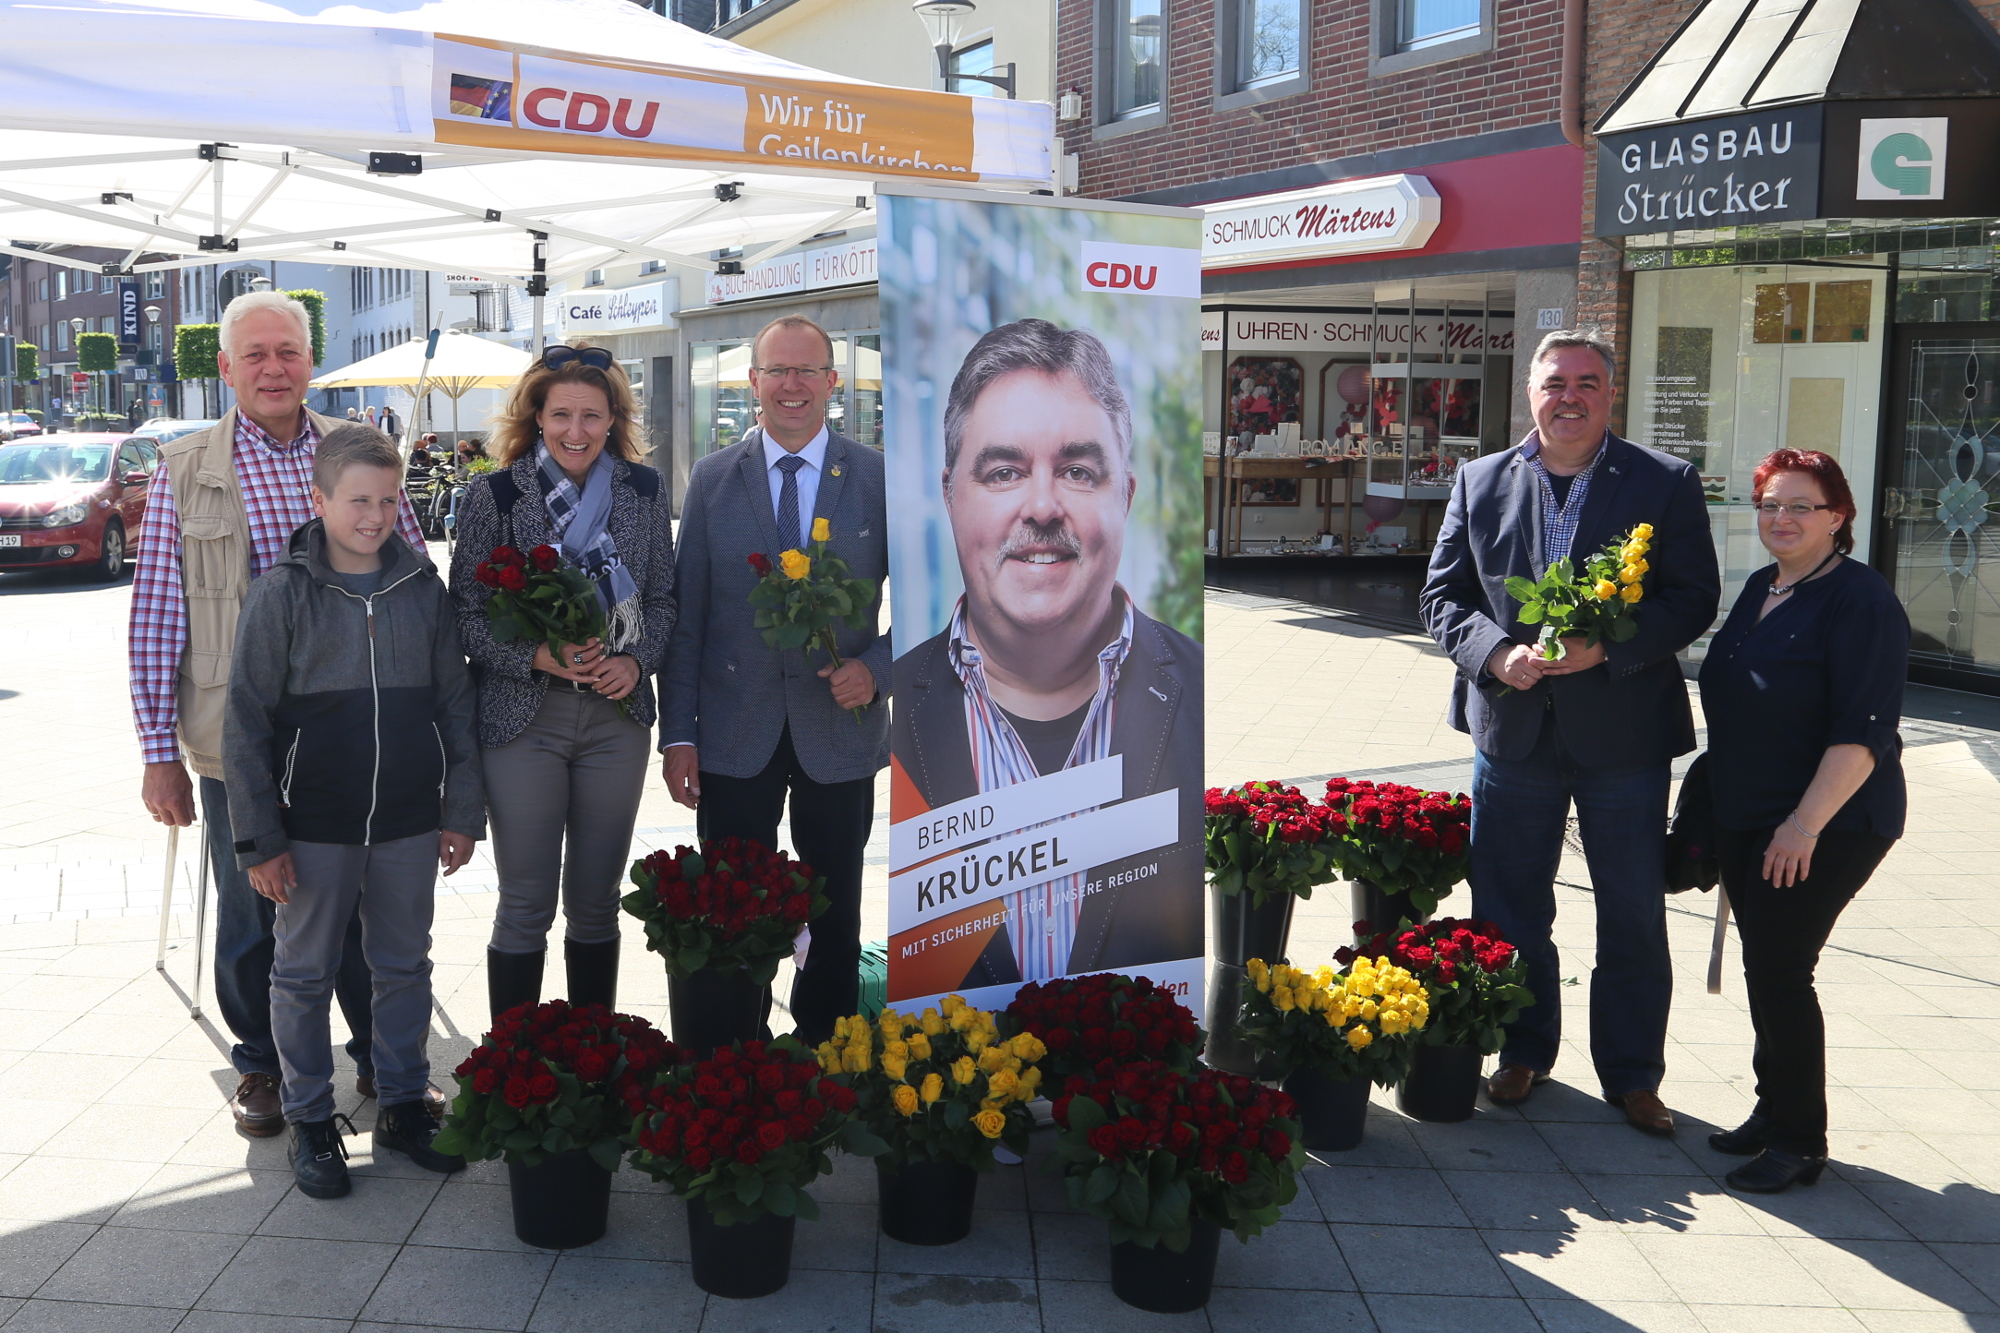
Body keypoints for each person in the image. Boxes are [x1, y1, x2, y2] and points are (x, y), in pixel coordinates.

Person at [130, 290, 438, 1137]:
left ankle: (381, 1058)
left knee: (361, 912)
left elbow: (411, 572)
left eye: (288, 352)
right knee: (253, 909)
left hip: (358, 729)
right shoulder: (186, 465)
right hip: (242, 738)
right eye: (255, 354)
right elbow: (158, 615)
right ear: (225, 367)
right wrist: (159, 751)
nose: (273, 368)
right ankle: (262, 1067)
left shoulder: (357, 449)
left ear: (310, 360)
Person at [1419, 329, 1720, 1136]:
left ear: (1609, 393)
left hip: (1623, 735)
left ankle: (1632, 1074)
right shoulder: (1480, 479)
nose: (1570, 397)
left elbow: (1691, 598)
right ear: (1531, 391)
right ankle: (1522, 1050)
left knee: (1630, 908)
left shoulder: (1663, 482)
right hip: (1512, 730)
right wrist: (1496, 651)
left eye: (1587, 383)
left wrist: (1606, 648)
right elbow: (1442, 597)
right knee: (1511, 904)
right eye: (1556, 383)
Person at [892, 318, 1202, 987]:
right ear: (950, 494)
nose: (1041, 506)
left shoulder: (1196, 692)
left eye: (1078, 471)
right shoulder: (895, 700)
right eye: (1004, 471)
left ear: (1126, 494)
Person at [224, 425, 483, 1199]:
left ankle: (403, 1102)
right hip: (313, 824)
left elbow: (456, 702)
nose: (374, 516)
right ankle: (309, 1117)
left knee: (404, 964)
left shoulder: (421, 588)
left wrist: (461, 809)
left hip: (407, 817)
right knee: (301, 972)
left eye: (386, 499)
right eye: (356, 501)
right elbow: (244, 721)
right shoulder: (282, 593)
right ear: (319, 501)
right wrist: (260, 838)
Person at [660, 314, 888, 1047]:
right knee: (737, 904)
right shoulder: (711, 479)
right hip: (733, 735)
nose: (792, 385)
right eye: (776, 371)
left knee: (836, 908)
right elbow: (688, 615)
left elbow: (931, 604)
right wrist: (680, 734)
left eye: (807, 371)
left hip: (838, 731)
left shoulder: (879, 478)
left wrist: (875, 670)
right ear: (752, 382)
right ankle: (740, 1048)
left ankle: (825, 1044)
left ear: (833, 382)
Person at [1697, 449, 1907, 1193]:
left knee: (1783, 970)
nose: (1780, 520)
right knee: (1765, 965)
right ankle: (1772, 1104)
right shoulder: (1763, 585)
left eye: (1800, 507)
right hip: (1751, 809)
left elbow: (1865, 730)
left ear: (1838, 516)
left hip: (1830, 818)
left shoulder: (1862, 601)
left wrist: (1804, 824)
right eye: (1769, 505)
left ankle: (1799, 1139)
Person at [450, 345, 676, 1018]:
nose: (575, 431)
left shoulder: (644, 491)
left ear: (614, 420)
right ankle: (510, 1073)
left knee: (597, 901)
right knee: (525, 901)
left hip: (617, 718)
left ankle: (594, 1060)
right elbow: (463, 612)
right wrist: (535, 657)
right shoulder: (492, 494)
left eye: (592, 416)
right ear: (537, 417)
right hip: (524, 720)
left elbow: (664, 599)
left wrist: (636, 661)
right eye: (561, 415)